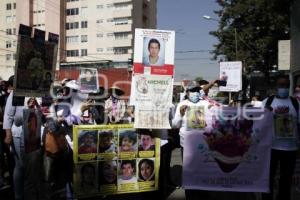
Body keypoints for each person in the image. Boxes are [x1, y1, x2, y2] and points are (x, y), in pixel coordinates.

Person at [172, 81, 213, 200]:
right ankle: (190, 194)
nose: (195, 93)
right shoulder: (182, 104)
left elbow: (217, 115)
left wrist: (212, 110)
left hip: (202, 144)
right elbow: (175, 124)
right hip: (186, 144)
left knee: (203, 169)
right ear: (187, 92)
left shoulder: (205, 103)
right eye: (192, 91)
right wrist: (180, 113)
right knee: (189, 170)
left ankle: (203, 192)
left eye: (196, 90)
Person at [261, 75, 300, 200]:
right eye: (281, 85)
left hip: (290, 148)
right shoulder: (267, 102)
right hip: (270, 147)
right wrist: (265, 113)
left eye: (286, 85)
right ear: (276, 87)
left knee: (286, 179)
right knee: (268, 177)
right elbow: (257, 121)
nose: (284, 88)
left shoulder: (296, 103)